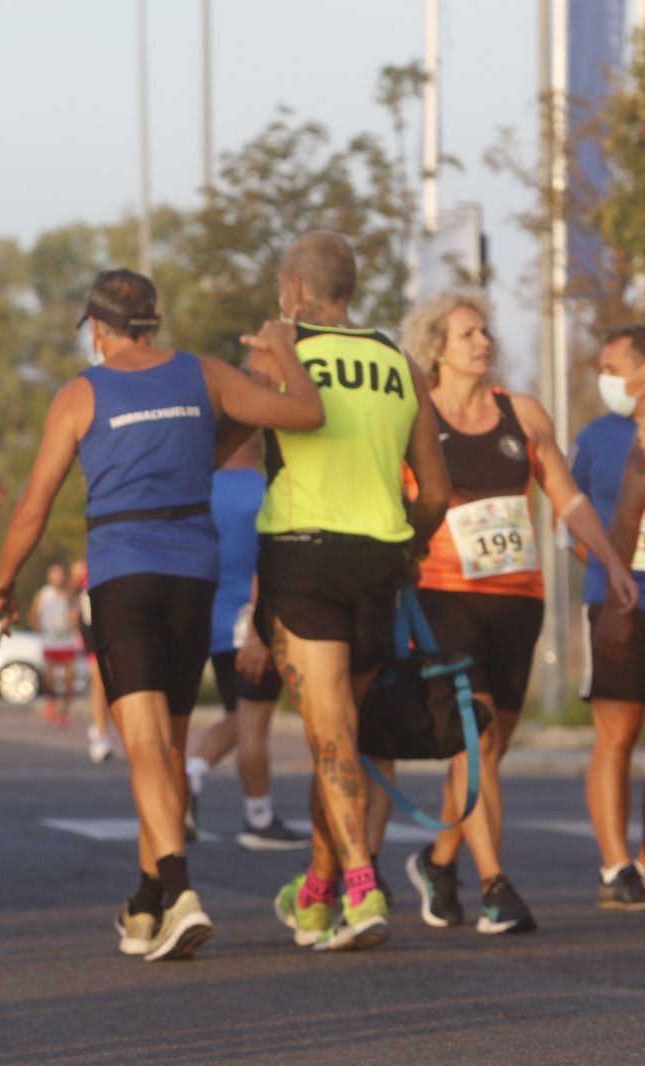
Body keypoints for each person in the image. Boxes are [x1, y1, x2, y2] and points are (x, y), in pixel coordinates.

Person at [0, 268, 326, 962]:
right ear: (155, 323)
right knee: (168, 748)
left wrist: (2, 583)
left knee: (142, 746)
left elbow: (33, 505)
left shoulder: (81, 394)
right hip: (193, 575)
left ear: (98, 330)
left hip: (124, 574)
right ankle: (145, 904)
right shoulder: (206, 376)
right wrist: (286, 350)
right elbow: (306, 413)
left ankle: (180, 892)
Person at [373, 291, 639, 935]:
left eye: (486, 331)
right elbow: (385, 498)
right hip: (444, 595)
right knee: (479, 734)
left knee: (488, 749)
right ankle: (497, 887)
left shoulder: (521, 413)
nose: (483, 342)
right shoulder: (412, 415)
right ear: (437, 348)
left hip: (518, 599)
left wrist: (612, 562)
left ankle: (439, 861)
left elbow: (568, 498)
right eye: (468, 333)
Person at [231, 232, 451, 953]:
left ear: (293, 288)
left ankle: (362, 887)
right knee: (342, 735)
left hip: (304, 556)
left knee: (329, 735)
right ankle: (316, 893)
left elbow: (224, 439)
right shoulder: (400, 363)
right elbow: (436, 493)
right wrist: (410, 549)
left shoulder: (278, 353)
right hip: (377, 561)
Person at [185, 435, 308, 852]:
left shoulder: (200, 490)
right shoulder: (268, 491)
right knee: (254, 723)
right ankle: (259, 818)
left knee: (237, 715)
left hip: (210, 621)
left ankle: (192, 774)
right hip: (254, 620)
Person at [572, 325, 645, 908]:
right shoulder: (597, 437)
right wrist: (611, 575)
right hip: (616, 600)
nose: (605, 379)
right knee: (616, 735)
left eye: (614, 368)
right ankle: (615, 866)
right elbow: (575, 519)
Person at [72, 558, 117, 763]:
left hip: (115, 626)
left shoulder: (118, 558)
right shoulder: (80, 568)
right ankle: (101, 736)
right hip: (91, 628)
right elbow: (73, 594)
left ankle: (100, 724)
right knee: (99, 681)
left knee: (112, 682)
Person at [29, 564, 78, 726]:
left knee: (69, 680)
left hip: (67, 642)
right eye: (54, 574)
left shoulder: (70, 594)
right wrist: (39, 628)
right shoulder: (43, 594)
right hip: (50, 642)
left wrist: (73, 619)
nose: (58, 577)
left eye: (60, 574)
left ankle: (63, 712)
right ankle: (51, 700)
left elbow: (76, 613)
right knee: (49, 680)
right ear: (49, 577)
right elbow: (33, 616)